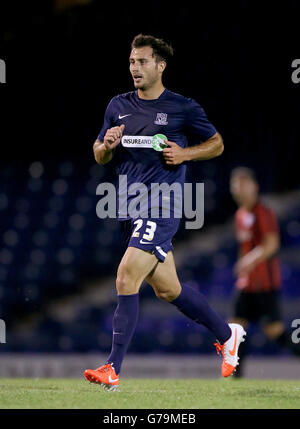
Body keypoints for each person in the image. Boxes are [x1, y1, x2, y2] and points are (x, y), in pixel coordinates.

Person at [84, 34, 246, 390]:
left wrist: (185, 154)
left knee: (127, 274)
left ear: (161, 65)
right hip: (129, 207)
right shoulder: (117, 105)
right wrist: (107, 146)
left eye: (142, 61)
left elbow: (217, 143)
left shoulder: (182, 107)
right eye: (131, 62)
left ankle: (112, 368)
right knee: (168, 289)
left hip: (163, 204)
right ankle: (227, 334)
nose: (135, 68)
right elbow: (99, 152)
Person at [230, 166, 300, 377]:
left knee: (274, 331)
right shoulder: (240, 215)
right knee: (235, 328)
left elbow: (272, 244)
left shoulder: (263, 212)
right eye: (235, 184)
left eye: (243, 183)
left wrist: (248, 261)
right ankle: (236, 378)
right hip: (247, 283)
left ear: (255, 186)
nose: (238, 189)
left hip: (265, 284)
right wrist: (242, 265)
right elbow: (245, 248)